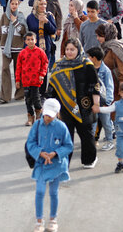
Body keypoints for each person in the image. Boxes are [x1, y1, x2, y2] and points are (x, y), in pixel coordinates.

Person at [47, 39, 100, 168]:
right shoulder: (58, 65)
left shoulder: (86, 64)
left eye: (72, 50)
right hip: (65, 107)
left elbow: (94, 85)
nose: (69, 52)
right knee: (66, 136)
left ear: (79, 50)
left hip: (84, 105)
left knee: (86, 134)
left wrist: (96, 103)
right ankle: (64, 163)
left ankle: (89, 160)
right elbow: (52, 89)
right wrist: (53, 109)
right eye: (67, 49)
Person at [26, 98, 73, 232]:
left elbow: (68, 146)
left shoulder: (61, 127)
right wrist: (40, 153)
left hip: (56, 164)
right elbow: (30, 142)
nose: (47, 118)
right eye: (45, 114)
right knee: (40, 191)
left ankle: (53, 219)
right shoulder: (37, 125)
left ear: (57, 114)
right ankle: (39, 220)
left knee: (53, 192)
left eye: (50, 116)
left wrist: (55, 153)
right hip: (41, 163)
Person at [0, 0, 27, 103]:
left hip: (18, 48)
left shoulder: (20, 16)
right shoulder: (4, 16)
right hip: (6, 48)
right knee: (5, 69)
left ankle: (20, 94)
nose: (14, 6)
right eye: (12, 4)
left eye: (16, 4)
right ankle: (4, 96)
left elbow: (23, 31)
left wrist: (15, 22)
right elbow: (0, 31)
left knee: (19, 71)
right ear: (9, 4)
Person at [16, 32, 48, 126]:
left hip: (36, 80)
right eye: (28, 40)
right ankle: (30, 116)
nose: (30, 41)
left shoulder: (40, 52)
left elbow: (45, 63)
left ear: (36, 40)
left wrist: (42, 74)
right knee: (28, 99)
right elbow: (18, 67)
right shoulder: (22, 53)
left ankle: (39, 114)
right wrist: (18, 80)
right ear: (25, 41)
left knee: (36, 97)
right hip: (26, 80)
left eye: (32, 39)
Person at [27, 0, 57, 94]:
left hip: (45, 47)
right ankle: (34, 92)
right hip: (33, 47)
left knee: (43, 70)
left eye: (44, 4)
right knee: (33, 70)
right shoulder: (31, 17)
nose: (43, 6)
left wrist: (46, 22)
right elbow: (29, 32)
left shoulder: (49, 16)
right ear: (36, 5)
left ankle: (43, 92)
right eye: (41, 4)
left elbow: (53, 30)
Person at [87, 47, 115, 151]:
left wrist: (107, 102)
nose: (88, 58)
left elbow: (110, 87)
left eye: (89, 56)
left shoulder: (105, 71)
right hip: (93, 102)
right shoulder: (89, 68)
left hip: (103, 103)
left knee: (106, 123)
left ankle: (109, 141)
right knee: (93, 123)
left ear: (94, 58)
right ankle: (91, 142)